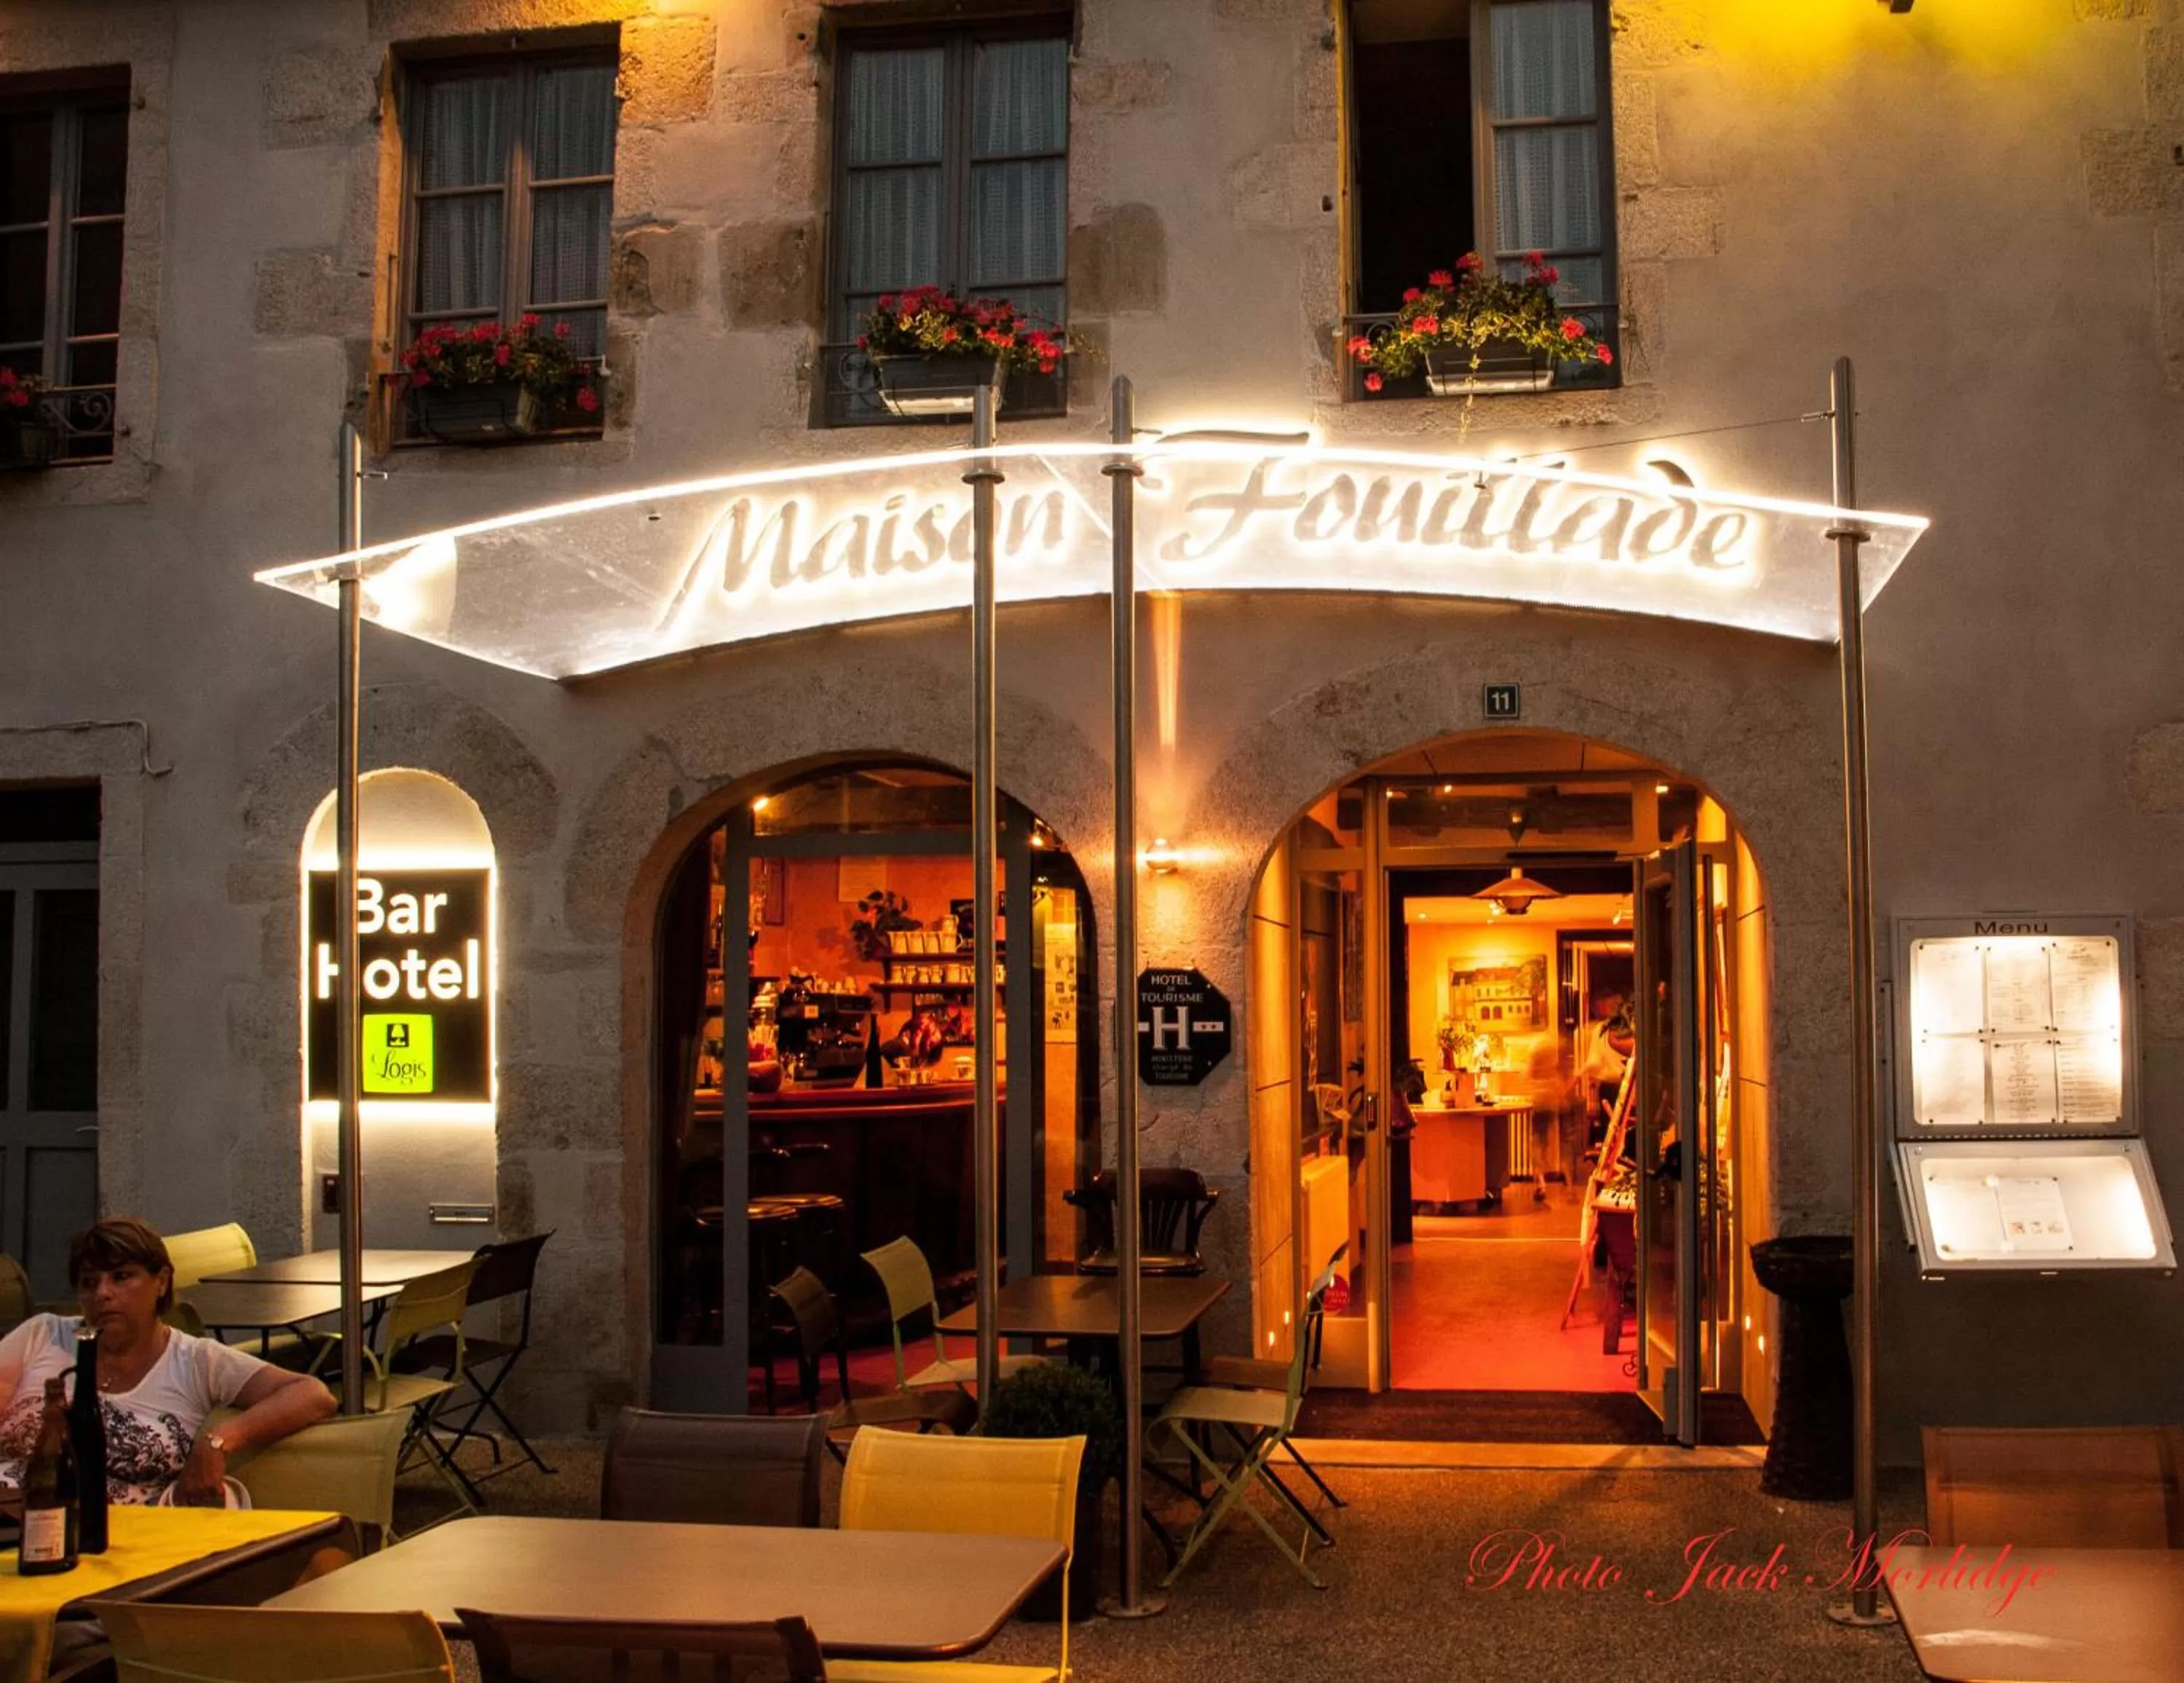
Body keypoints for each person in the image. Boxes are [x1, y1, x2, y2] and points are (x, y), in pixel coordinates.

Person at [0, 1217, 336, 1505]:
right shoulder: (43, 1336)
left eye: (121, 1277)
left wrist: (218, 1442)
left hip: (122, 1538)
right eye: (89, 1282)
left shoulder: (195, 1361)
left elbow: (312, 1394)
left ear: (160, 1282)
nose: (102, 1293)